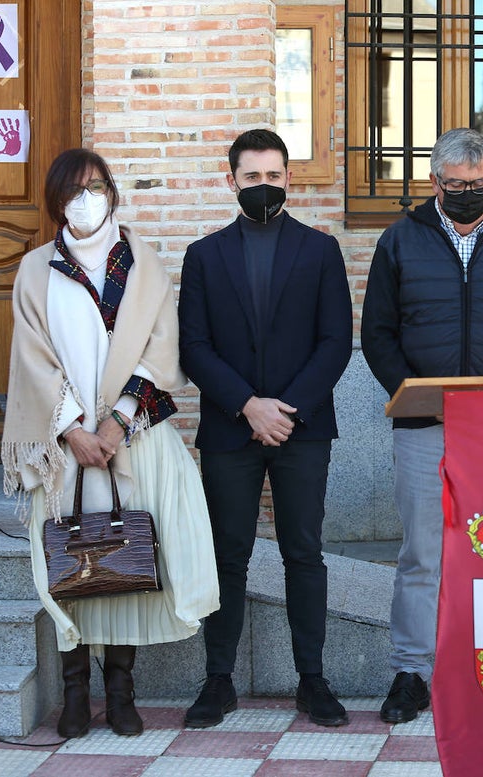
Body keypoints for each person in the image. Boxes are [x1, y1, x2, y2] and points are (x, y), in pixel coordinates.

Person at [1, 148, 219, 738]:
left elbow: (159, 349)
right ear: (56, 203)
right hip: (64, 449)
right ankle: (75, 692)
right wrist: (72, 428)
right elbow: (32, 358)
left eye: (95, 187)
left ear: (112, 192)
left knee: (127, 561)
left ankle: (121, 693)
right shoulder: (35, 270)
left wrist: (116, 423)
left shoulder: (143, 264)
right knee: (70, 566)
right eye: (72, 191)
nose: (85, 199)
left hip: (133, 440)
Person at [362, 127, 483, 724]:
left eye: (480, 185)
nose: (470, 193)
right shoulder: (400, 242)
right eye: (458, 185)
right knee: (423, 553)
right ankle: (412, 671)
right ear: (434, 183)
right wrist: (415, 396)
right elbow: (378, 334)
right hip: (426, 428)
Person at [178, 129, 354, 727]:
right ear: (231, 182)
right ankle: (217, 680)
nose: (263, 186)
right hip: (231, 431)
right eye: (251, 177)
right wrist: (247, 406)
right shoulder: (204, 255)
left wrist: (285, 410)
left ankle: (313, 679)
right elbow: (194, 347)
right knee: (227, 554)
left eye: (273, 176)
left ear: (289, 180)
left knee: (304, 553)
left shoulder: (320, 250)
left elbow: (335, 342)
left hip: (302, 431)